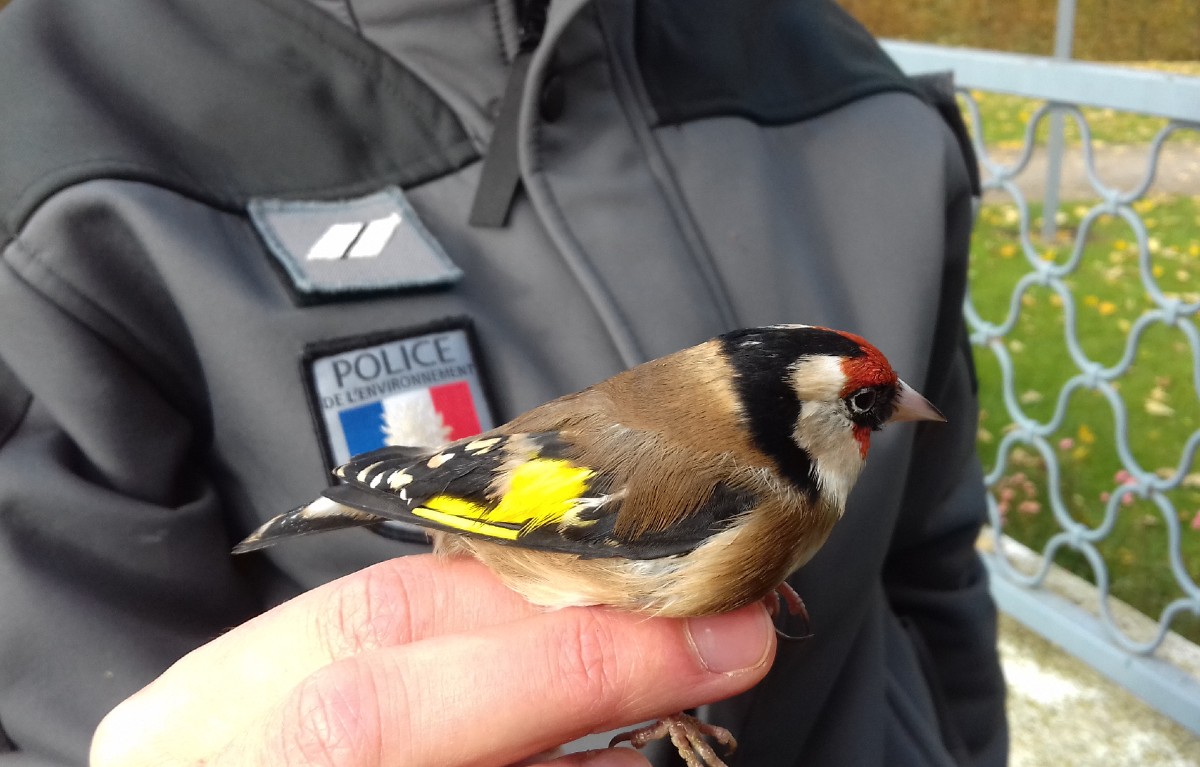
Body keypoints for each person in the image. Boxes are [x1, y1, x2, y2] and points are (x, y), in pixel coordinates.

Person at [0, 0, 1007, 765]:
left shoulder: (850, 84)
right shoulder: (53, 143)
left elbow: (935, 569)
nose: (906, 409)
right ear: (800, 419)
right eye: (872, 404)